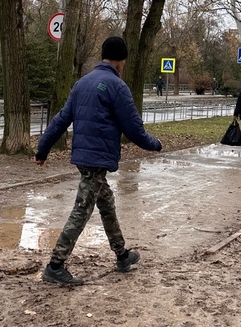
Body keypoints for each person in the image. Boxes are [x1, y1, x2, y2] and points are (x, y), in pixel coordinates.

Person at [35, 36, 162, 286]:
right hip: (96, 159)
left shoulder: (82, 83)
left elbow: (61, 119)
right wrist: (154, 144)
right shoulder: (116, 86)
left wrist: (42, 149)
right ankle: (55, 265)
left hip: (85, 157)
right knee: (81, 211)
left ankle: (122, 255)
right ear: (121, 60)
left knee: (106, 203)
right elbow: (134, 128)